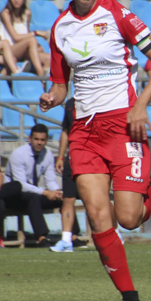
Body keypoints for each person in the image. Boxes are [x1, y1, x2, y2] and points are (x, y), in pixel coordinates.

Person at [39, 0, 151, 301]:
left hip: (123, 125)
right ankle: (130, 300)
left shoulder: (118, 14)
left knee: (129, 219)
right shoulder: (60, 28)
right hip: (84, 132)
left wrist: (140, 106)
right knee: (98, 218)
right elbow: (60, 85)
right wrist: (51, 98)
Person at [4, 123, 63, 248]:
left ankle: (72, 236)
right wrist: (46, 192)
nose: (39, 143)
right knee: (33, 198)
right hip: (13, 196)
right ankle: (42, 238)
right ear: (30, 139)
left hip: (33, 194)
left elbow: (50, 180)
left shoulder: (47, 155)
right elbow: (21, 185)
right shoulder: (19, 154)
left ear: (47, 140)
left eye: (42, 140)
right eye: (36, 139)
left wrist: (56, 192)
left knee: (64, 199)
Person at [50, 95, 84, 253]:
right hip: (73, 157)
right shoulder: (70, 103)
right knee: (68, 199)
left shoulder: (97, 99)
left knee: (99, 198)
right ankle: (66, 240)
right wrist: (61, 156)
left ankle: (115, 233)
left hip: (92, 157)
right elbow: (65, 131)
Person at [0, 0, 49, 77]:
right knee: (32, 40)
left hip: (22, 50)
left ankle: (43, 85)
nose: (16, 0)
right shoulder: (6, 13)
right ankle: (40, 74)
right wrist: (36, 33)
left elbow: (26, 34)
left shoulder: (27, 13)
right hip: (8, 49)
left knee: (48, 58)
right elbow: (16, 37)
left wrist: (35, 46)